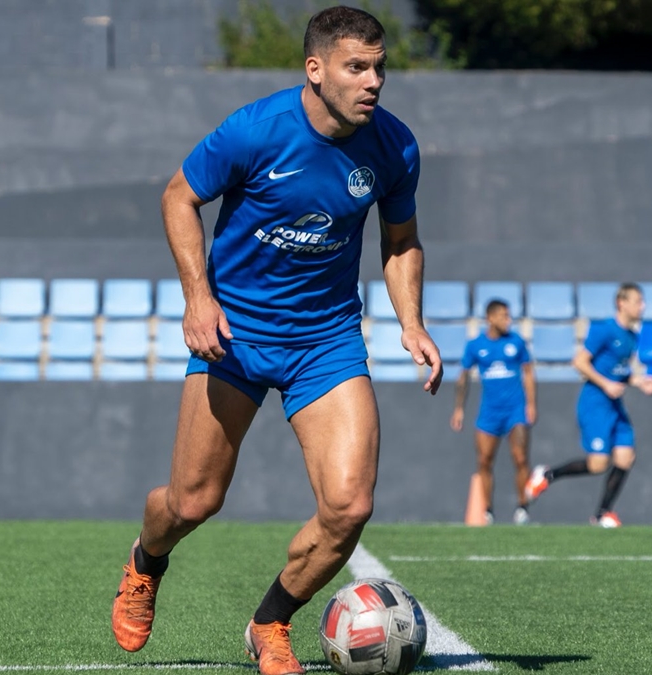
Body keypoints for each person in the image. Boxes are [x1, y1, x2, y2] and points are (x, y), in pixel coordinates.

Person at [110, 7, 442, 675]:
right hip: (233, 334)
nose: (373, 80)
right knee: (192, 501)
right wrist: (198, 299)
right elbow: (180, 196)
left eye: (379, 67)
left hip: (326, 339)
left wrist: (411, 321)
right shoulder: (256, 130)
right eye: (357, 67)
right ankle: (147, 561)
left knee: (349, 506)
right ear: (315, 70)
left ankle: (270, 623)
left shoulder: (394, 147)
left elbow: (400, 242)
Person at [524, 282, 652, 528]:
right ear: (622, 303)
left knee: (626, 457)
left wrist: (638, 381)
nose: (643, 306)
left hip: (615, 406)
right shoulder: (604, 330)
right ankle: (547, 474)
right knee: (598, 464)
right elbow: (580, 362)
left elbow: (619, 371)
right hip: (595, 403)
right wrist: (606, 384)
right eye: (638, 301)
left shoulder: (632, 336)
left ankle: (602, 513)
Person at [450, 299, 536, 525]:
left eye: (509, 316)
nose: (508, 321)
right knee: (485, 461)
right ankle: (487, 510)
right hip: (489, 413)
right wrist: (459, 409)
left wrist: (531, 404)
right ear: (490, 318)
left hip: (515, 410)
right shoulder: (475, 345)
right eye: (503, 316)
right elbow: (463, 376)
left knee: (520, 458)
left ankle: (522, 507)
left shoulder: (516, 342)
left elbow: (528, 372)